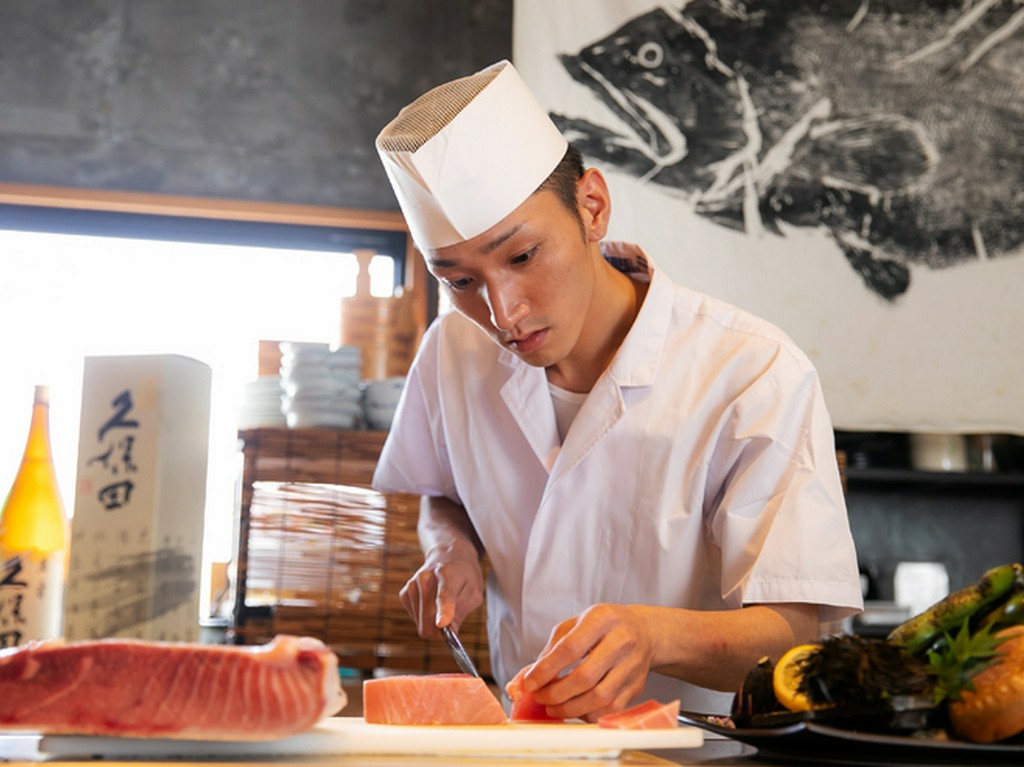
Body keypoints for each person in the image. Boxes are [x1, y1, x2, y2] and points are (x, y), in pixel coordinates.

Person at [371, 60, 863, 719]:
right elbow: (443, 493)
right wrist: (450, 547)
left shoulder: (753, 371)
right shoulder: (452, 352)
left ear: (592, 207)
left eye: (522, 256)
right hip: (527, 747)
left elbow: (796, 632)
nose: (504, 313)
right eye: (460, 280)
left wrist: (654, 635)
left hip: (695, 751)